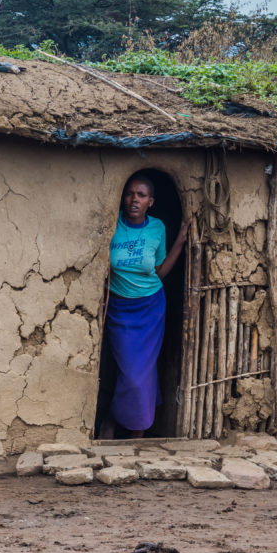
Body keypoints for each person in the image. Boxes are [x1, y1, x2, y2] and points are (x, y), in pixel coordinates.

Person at [99, 175, 188, 439]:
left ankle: (136, 430)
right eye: (129, 194)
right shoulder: (112, 224)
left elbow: (158, 272)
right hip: (117, 308)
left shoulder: (157, 228)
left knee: (142, 373)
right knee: (130, 373)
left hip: (150, 308)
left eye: (141, 195)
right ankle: (111, 421)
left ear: (151, 202)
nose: (134, 200)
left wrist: (180, 243)